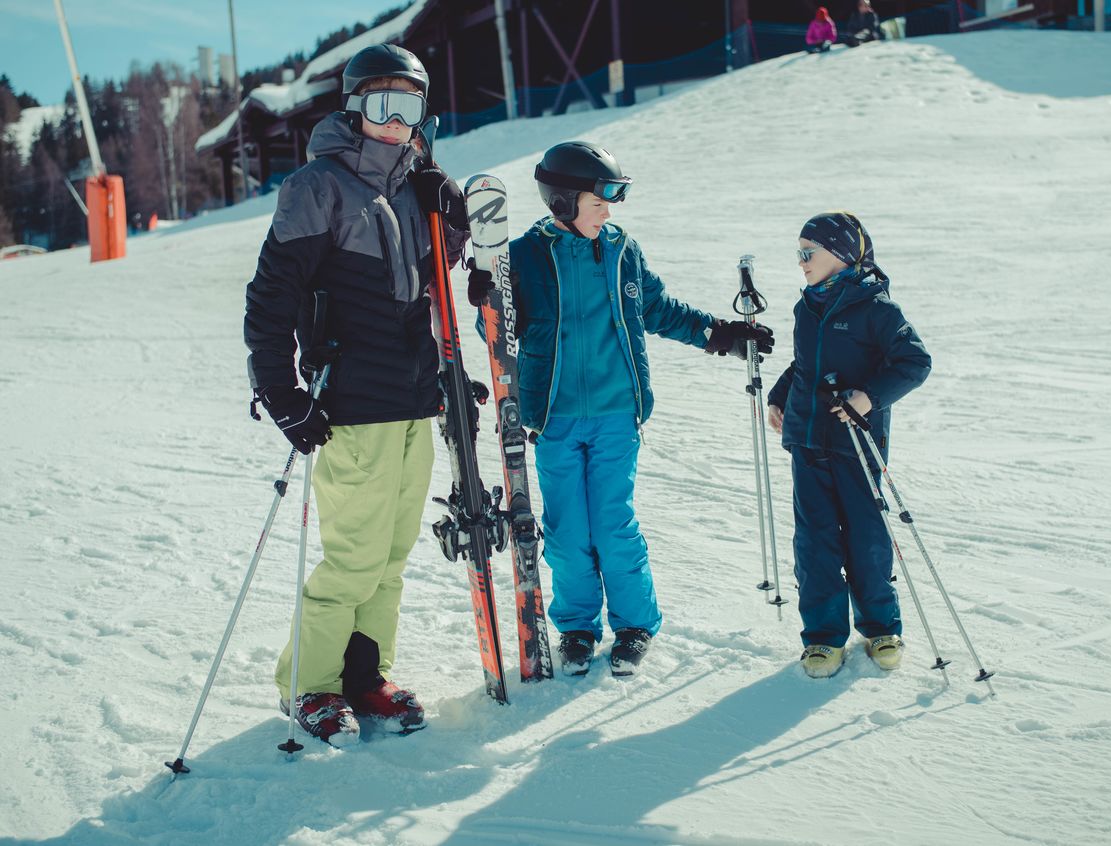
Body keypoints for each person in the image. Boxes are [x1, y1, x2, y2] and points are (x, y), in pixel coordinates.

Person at [466, 141, 774, 678]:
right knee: (567, 530)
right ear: (563, 202)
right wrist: (487, 297)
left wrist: (719, 335)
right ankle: (578, 628)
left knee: (614, 524)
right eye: (598, 201)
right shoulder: (524, 257)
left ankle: (633, 625)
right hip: (554, 419)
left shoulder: (621, 250)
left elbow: (656, 309)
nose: (607, 212)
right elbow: (496, 334)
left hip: (615, 416)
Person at [244, 43, 469, 746]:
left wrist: (449, 205)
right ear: (354, 106)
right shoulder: (317, 187)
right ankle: (309, 684)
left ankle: (365, 675)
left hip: (414, 399)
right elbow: (270, 298)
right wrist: (281, 390)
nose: (397, 122)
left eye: (411, 107)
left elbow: (445, 275)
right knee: (352, 560)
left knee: (392, 559)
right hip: (352, 405)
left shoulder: (415, 183)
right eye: (383, 105)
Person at [765, 212, 930, 678]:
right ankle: (822, 637)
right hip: (806, 438)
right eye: (799, 253)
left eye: (807, 252)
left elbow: (914, 363)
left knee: (866, 538)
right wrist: (780, 398)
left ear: (841, 254)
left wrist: (868, 397)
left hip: (856, 443)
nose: (800, 262)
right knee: (814, 542)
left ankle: (881, 627)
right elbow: (804, 364)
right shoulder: (808, 306)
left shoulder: (878, 309)